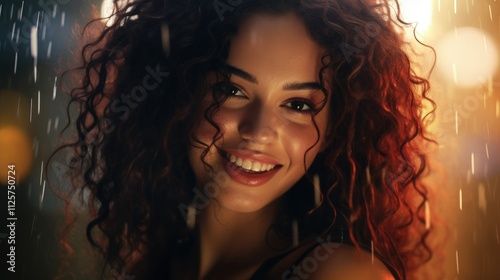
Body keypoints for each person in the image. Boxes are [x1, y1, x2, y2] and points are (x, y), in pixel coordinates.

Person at [52, 0, 436, 279]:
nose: (259, 130)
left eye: (299, 104)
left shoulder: (343, 275)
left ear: (337, 128)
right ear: (178, 96)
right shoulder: (153, 265)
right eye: (231, 90)